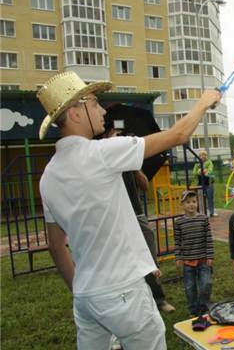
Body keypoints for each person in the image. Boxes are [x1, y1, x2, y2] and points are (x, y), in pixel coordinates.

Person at [38, 71, 220, 349]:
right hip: (124, 292)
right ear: (75, 113)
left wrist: (81, 290)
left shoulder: (48, 175)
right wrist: (204, 102)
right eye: (95, 103)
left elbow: (55, 245)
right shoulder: (101, 153)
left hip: (86, 297)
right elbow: (179, 134)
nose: (103, 111)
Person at [102, 127, 175, 314]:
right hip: (115, 218)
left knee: (149, 257)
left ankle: (159, 299)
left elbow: (144, 186)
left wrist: (134, 167)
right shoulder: (103, 159)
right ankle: (127, 302)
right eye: (115, 135)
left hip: (136, 214)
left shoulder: (128, 161)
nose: (119, 138)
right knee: (120, 261)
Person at [174, 190, 214, 317]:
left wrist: (210, 255)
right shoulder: (179, 222)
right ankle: (193, 310)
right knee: (190, 287)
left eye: (194, 201)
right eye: (188, 202)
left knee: (206, 284)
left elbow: (208, 238)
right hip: (188, 261)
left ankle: (204, 307)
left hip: (203, 260)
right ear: (182, 204)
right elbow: (178, 241)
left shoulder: (203, 219)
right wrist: (178, 257)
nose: (191, 205)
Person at [193, 149, 218, 216]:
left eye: (204, 155)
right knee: (200, 198)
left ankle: (212, 212)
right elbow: (194, 173)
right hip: (200, 184)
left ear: (206, 156)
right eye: (201, 155)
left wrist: (205, 171)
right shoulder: (197, 164)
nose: (202, 156)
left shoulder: (209, 162)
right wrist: (199, 171)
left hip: (208, 183)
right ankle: (201, 212)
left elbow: (210, 170)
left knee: (210, 198)